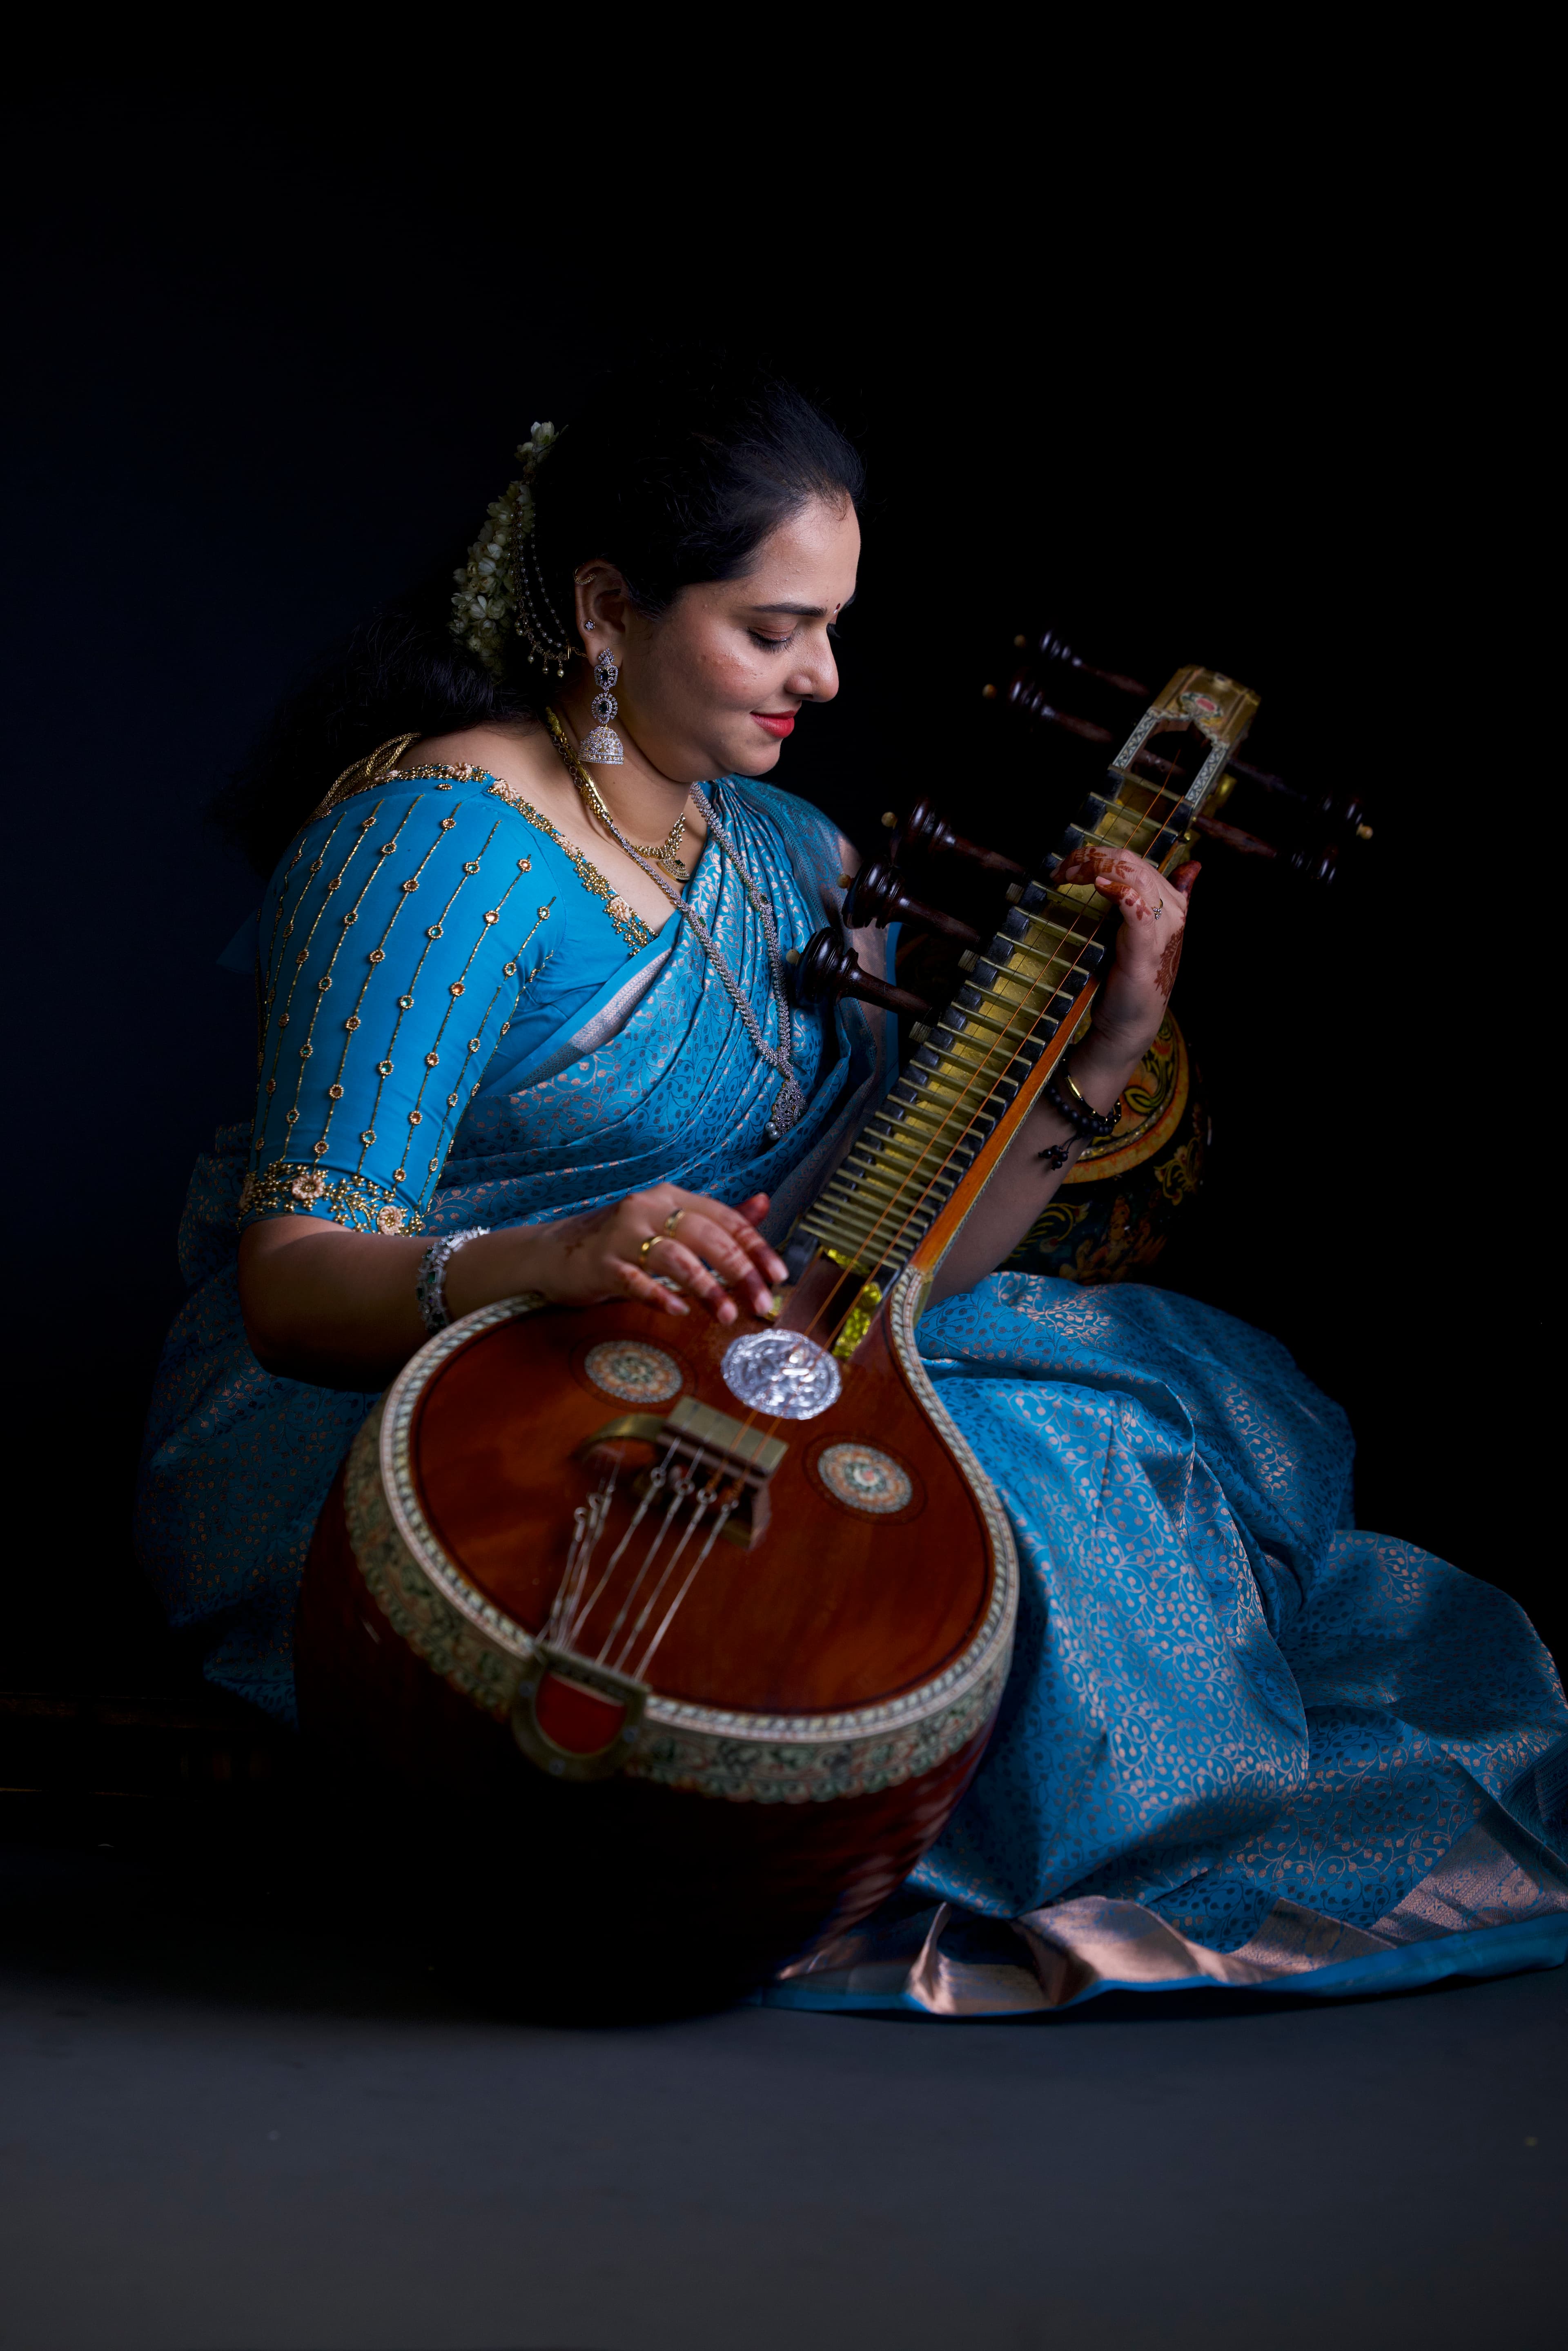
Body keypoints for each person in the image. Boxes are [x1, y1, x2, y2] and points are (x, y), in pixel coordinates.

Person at [136, 363, 1568, 2014]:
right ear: (609, 606)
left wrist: (1099, 1056)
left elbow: (891, 1284)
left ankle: (794, 1848)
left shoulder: (795, 856)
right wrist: (547, 1257)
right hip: (433, 1430)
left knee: (1112, 1470)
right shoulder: (434, 849)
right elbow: (293, 1278)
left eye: (833, 625)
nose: (824, 673)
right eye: (774, 628)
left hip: (743, 1383)